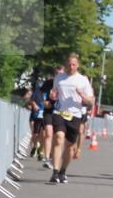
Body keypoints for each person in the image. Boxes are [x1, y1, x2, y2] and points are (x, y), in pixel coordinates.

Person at [49, 54, 94, 184]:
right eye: (69, 64)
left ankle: (63, 171)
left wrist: (82, 95)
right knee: (58, 138)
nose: (71, 66)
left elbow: (90, 101)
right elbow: (54, 94)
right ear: (66, 64)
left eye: (74, 64)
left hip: (75, 115)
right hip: (60, 112)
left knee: (70, 147)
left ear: (77, 65)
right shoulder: (59, 78)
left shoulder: (83, 80)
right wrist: (53, 96)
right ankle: (55, 172)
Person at [39, 65, 62, 169]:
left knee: (57, 136)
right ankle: (47, 158)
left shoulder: (66, 85)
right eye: (57, 74)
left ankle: (54, 157)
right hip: (49, 111)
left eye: (60, 74)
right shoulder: (48, 83)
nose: (58, 75)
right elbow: (39, 93)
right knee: (48, 133)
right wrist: (44, 102)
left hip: (61, 113)